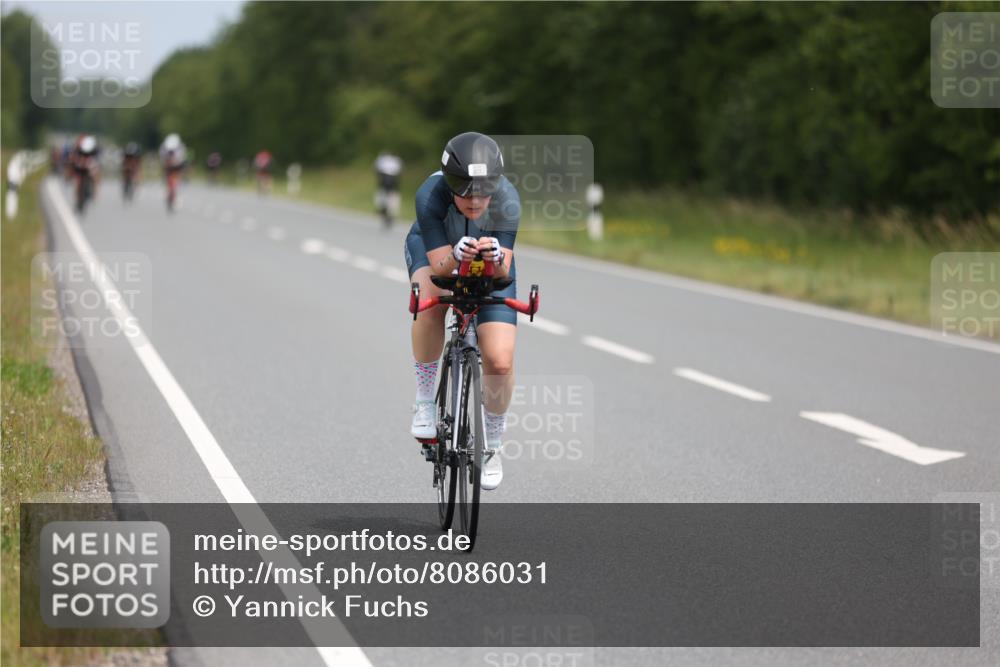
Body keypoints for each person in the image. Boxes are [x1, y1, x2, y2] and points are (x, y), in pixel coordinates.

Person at [405, 132, 519, 490]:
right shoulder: (430, 195)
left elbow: (504, 272)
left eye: (484, 192)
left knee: (500, 361)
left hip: (487, 261)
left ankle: (493, 446)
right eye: (466, 192)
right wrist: (456, 255)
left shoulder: (507, 201)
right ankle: (425, 402)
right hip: (434, 250)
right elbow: (439, 266)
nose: (475, 201)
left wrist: (495, 258)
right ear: (450, 184)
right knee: (430, 303)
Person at [70, 135, 101, 212]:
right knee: (78, 181)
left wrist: (93, 169)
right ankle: (77, 196)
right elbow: (74, 160)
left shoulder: (94, 150)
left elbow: (96, 162)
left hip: (90, 167)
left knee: (94, 176)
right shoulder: (79, 149)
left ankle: (94, 192)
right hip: (81, 168)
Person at [159, 133, 187, 211]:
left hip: (177, 166)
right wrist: (166, 164)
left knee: (177, 179)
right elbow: (162, 160)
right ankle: (168, 191)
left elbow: (182, 160)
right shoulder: (163, 148)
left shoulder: (181, 148)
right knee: (167, 178)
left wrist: (178, 164)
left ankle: (176, 192)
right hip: (168, 166)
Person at [374, 151, 403, 227]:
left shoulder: (382, 159)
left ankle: (384, 209)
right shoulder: (397, 160)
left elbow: (377, 170)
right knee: (392, 196)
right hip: (393, 181)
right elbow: (399, 172)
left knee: (383, 194)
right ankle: (390, 211)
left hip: (384, 181)